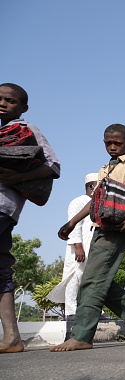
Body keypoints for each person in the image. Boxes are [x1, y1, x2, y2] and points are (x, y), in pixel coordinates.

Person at [52, 124, 125, 351]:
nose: (113, 147)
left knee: (91, 282)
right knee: (94, 280)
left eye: (118, 143)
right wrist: (72, 222)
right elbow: (96, 200)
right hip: (101, 226)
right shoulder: (104, 169)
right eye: (108, 143)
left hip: (120, 227)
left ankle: (82, 336)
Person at [0, 83, 60, 353]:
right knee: (2, 272)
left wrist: (19, 177)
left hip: (3, 206)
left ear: (23, 108)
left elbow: (53, 166)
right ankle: (12, 337)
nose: (3, 103)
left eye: (10, 101)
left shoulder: (27, 130)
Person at [47, 173, 97, 318]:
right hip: (78, 249)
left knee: (90, 279)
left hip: (91, 248)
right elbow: (74, 225)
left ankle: (92, 310)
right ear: (92, 186)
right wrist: (78, 246)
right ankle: (71, 311)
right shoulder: (78, 201)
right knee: (73, 278)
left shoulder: (97, 202)